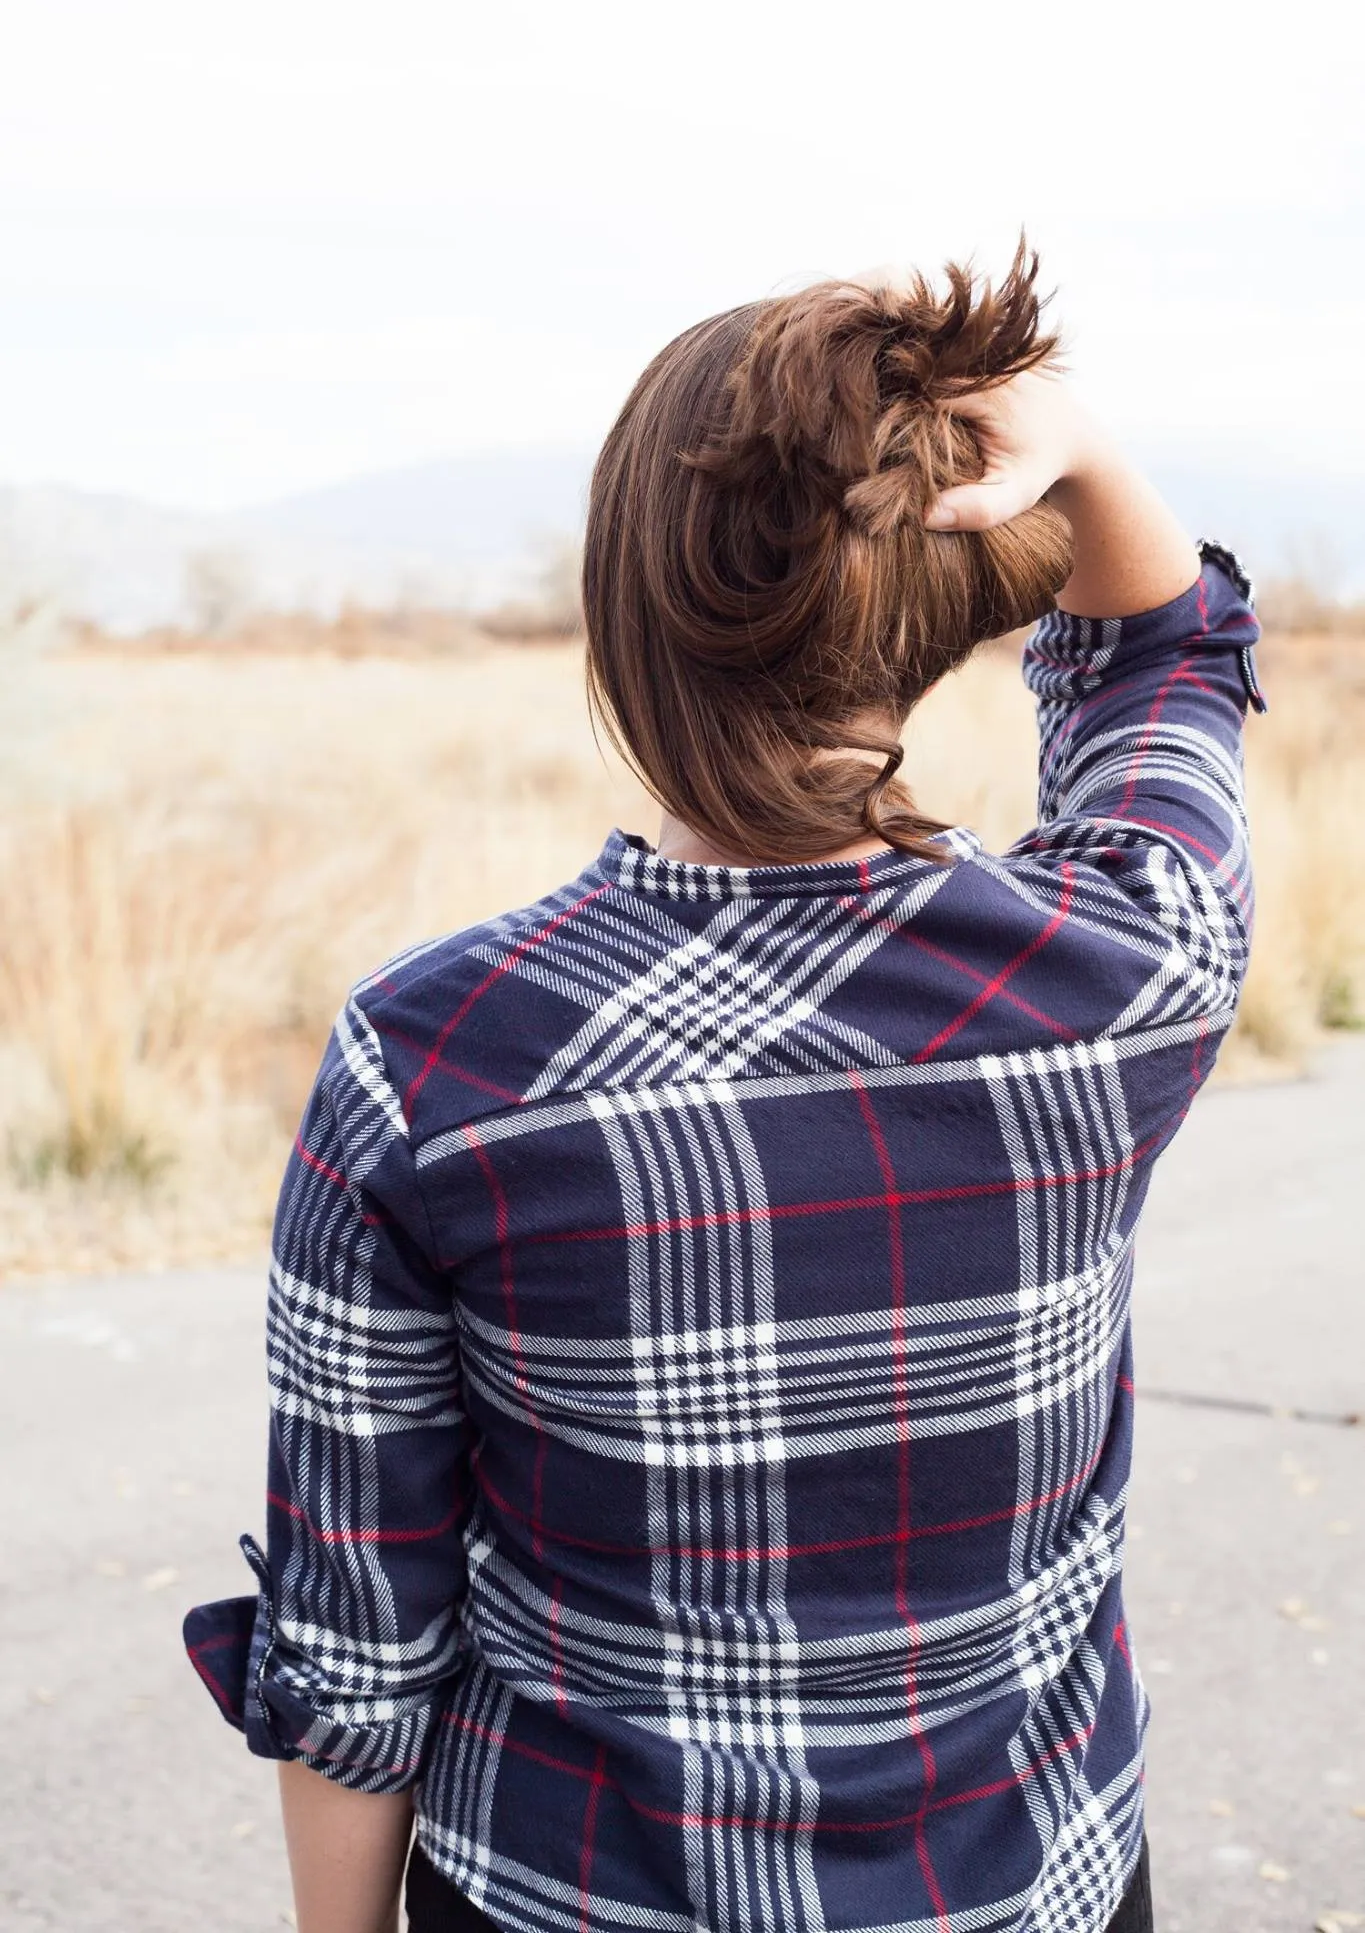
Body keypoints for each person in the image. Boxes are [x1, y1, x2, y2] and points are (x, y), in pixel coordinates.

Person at [184, 243, 1264, 1933]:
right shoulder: (1122, 977)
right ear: (943, 600)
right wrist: (1088, 447)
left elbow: (355, 1642)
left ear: (622, 614)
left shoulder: (435, 1063)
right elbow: (1163, 661)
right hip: (1025, 1888)